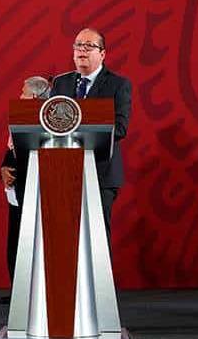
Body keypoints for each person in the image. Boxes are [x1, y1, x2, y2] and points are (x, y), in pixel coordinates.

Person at [50, 27, 132, 247]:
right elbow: (49, 124)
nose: (82, 50)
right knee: (64, 239)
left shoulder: (118, 84)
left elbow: (120, 128)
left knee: (96, 240)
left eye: (89, 46)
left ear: (102, 53)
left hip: (101, 173)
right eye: (78, 45)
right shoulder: (60, 83)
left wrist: (80, 127)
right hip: (63, 172)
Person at [0, 76, 50, 304]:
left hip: (38, 189)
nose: (20, 96)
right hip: (16, 188)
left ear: (35, 97)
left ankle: (39, 294)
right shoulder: (19, 120)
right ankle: (19, 292)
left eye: (24, 93)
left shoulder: (50, 123)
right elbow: (11, 151)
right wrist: (3, 170)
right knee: (15, 241)